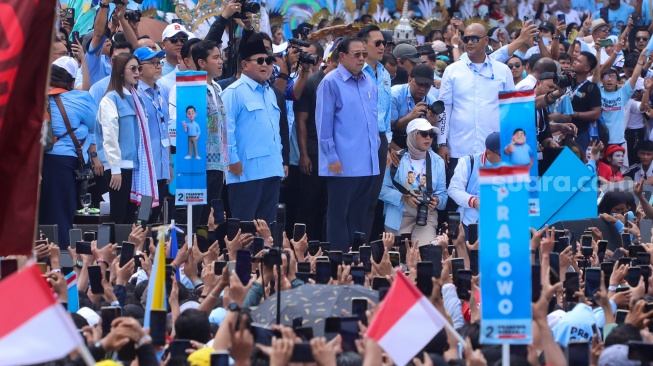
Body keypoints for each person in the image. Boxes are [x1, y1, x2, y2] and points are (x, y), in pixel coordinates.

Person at [316, 37, 380, 251]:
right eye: (357, 55)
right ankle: (337, 262)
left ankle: (354, 260)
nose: (362, 59)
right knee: (338, 216)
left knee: (358, 218)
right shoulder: (330, 82)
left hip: (368, 162)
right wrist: (331, 156)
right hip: (342, 164)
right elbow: (323, 125)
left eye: (364, 54)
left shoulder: (369, 81)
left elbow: (372, 120)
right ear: (342, 56)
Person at [437, 23, 514, 181]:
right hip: (459, 148)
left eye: (474, 39)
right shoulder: (452, 71)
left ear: (486, 41)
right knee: (457, 198)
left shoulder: (503, 71)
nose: (469, 42)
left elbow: (510, 109)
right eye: (466, 39)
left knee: (492, 200)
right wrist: (441, 143)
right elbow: (444, 108)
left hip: (494, 150)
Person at [221, 38, 284, 223]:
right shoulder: (234, 92)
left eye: (269, 60)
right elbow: (225, 130)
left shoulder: (271, 92)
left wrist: (280, 162)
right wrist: (232, 160)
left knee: (268, 229)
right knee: (245, 228)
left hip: (271, 168)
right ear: (245, 64)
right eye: (260, 60)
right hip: (245, 172)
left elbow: (275, 131)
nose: (266, 65)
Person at [40, 57, 97, 249]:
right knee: (61, 216)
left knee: (39, 216)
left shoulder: (38, 97)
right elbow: (92, 126)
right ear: (72, 81)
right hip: (63, 164)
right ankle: (61, 265)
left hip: (36, 163)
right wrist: (79, 129)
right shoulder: (81, 98)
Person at [96, 53, 158, 224]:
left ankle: (128, 249)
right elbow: (109, 136)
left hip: (136, 166)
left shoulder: (137, 97)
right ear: (120, 72)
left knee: (131, 216)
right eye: (132, 68)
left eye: (138, 68)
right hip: (119, 166)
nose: (137, 72)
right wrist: (115, 169)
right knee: (118, 215)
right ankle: (114, 249)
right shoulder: (110, 99)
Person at [295, 47, 340, 241]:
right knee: (308, 203)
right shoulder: (312, 82)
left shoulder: (341, 83)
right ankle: (302, 246)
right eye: (336, 66)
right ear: (329, 61)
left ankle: (321, 246)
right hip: (313, 151)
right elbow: (301, 121)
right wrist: (303, 155)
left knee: (327, 203)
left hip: (334, 153)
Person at [380, 119, 447, 246]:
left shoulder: (438, 161)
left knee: (424, 255)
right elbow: (381, 189)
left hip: (426, 215)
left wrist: (437, 201)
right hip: (399, 216)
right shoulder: (395, 158)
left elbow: (442, 192)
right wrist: (403, 198)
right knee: (399, 259)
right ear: (411, 135)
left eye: (431, 135)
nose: (428, 138)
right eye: (423, 134)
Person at [360, 25, 393, 241]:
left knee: (372, 198)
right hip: (359, 139)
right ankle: (346, 247)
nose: (383, 47)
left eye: (385, 43)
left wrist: (388, 145)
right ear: (364, 45)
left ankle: (364, 245)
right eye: (378, 43)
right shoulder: (354, 71)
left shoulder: (384, 73)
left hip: (380, 139)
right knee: (354, 197)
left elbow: (387, 113)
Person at [191, 40, 228, 227]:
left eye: (220, 57)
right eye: (215, 57)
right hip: (199, 164)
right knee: (196, 216)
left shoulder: (217, 88)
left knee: (210, 218)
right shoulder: (192, 88)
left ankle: (206, 253)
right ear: (201, 63)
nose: (220, 61)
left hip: (217, 164)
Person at [134, 46, 171, 223]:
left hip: (161, 166)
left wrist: (168, 163)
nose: (158, 66)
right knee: (143, 216)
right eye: (153, 63)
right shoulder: (136, 95)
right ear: (138, 69)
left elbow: (165, 130)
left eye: (159, 62)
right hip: (145, 169)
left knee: (156, 215)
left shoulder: (160, 92)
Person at [447, 132, 502, 229]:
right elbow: (453, 190)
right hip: (471, 223)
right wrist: (474, 201)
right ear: (489, 152)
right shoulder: (468, 162)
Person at [390, 64, 438, 151]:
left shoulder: (433, 102)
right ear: (409, 80)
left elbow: (431, 135)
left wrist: (432, 124)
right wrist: (411, 116)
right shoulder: (394, 95)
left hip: (420, 140)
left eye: (427, 86)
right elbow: (391, 127)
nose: (422, 89)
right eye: (419, 84)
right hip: (395, 138)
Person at [570, 51, 602, 151]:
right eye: (575, 60)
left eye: (579, 61)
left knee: (578, 163)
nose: (574, 62)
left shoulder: (592, 88)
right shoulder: (566, 81)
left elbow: (596, 113)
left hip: (581, 133)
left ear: (587, 68)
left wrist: (574, 114)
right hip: (560, 130)